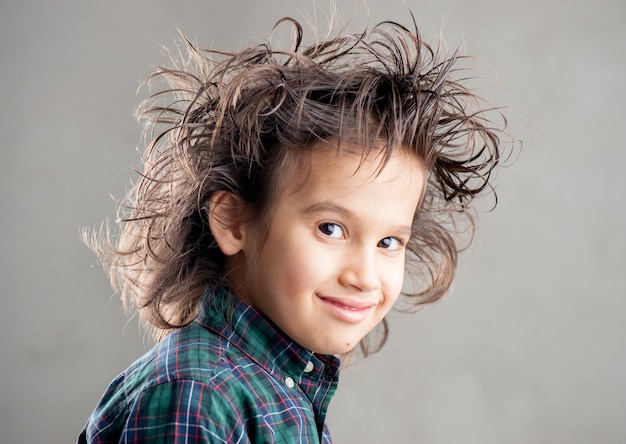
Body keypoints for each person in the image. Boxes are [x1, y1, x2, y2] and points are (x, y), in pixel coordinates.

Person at [78, 14, 509, 444]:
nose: (364, 276)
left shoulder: (283, 388)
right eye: (330, 228)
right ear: (234, 222)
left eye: (389, 241)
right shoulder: (201, 394)